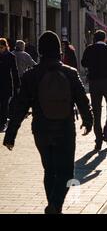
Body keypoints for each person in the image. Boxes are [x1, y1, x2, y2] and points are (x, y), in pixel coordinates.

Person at [3, 31, 93, 214]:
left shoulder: (30, 75)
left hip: (41, 130)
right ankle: (55, 205)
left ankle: (53, 206)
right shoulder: (70, 73)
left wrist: (11, 134)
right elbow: (82, 100)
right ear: (58, 50)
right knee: (66, 172)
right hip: (65, 129)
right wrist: (88, 120)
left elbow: (20, 107)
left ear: (41, 51)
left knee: (49, 169)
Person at [81, 30, 107, 151]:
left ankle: (98, 139)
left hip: (94, 82)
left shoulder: (89, 49)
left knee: (96, 110)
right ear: (105, 39)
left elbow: (83, 63)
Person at [0, 38, 20, 133]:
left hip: (7, 84)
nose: (0, 49)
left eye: (1, 47)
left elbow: (14, 71)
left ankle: (3, 122)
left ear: (5, 46)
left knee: (4, 104)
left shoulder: (11, 56)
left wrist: (17, 85)